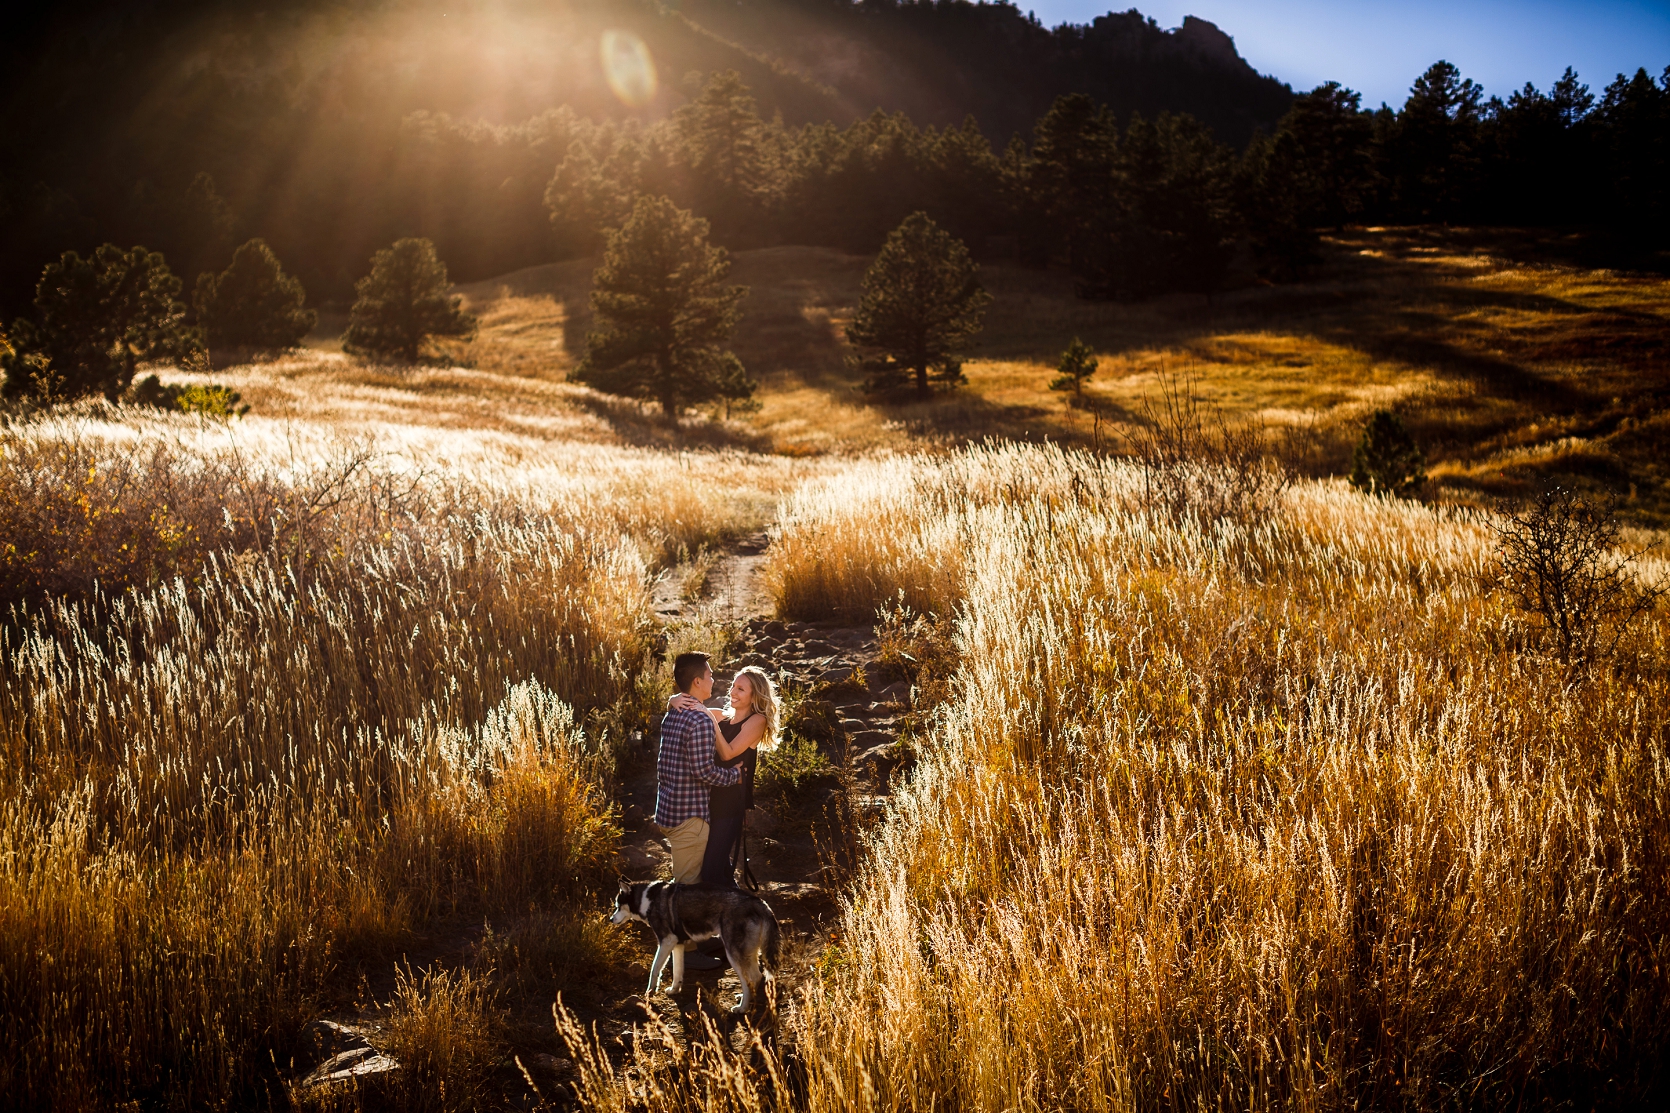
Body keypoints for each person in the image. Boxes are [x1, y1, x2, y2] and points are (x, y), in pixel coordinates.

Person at [669, 665, 779, 887]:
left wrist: (710, 720)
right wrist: (672, 700)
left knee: (712, 868)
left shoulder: (756, 721)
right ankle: (732, 912)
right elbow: (689, 707)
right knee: (715, 865)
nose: (732, 692)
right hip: (709, 798)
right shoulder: (721, 716)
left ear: (754, 696)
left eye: (741, 689)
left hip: (731, 802)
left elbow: (728, 752)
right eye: (733, 686)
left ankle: (735, 910)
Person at [654, 652, 741, 890]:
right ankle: (678, 925)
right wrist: (735, 775)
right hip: (688, 819)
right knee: (688, 889)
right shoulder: (700, 721)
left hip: (668, 811)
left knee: (688, 876)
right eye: (710, 675)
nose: (714, 680)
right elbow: (704, 772)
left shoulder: (674, 711)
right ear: (697, 681)